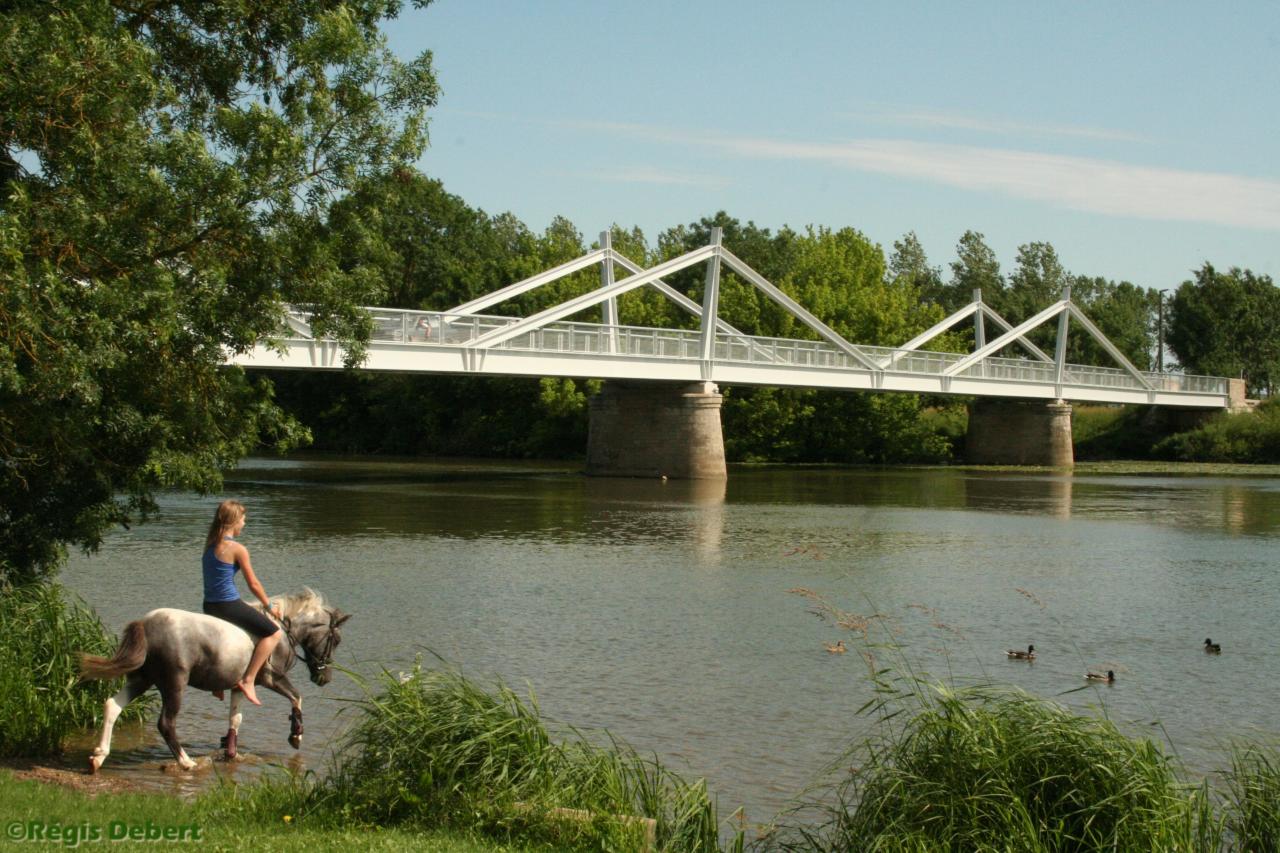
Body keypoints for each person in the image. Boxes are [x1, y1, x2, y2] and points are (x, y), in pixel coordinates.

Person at [201, 500, 283, 706]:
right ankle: (249, 680)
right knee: (273, 633)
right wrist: (269, 606)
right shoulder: (237, 549)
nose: (244, 524)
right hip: (227, 605)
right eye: (243, 519)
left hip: (209, 606)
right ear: (234, 521)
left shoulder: (209, 545)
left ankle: (217, 684)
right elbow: (253, 584)